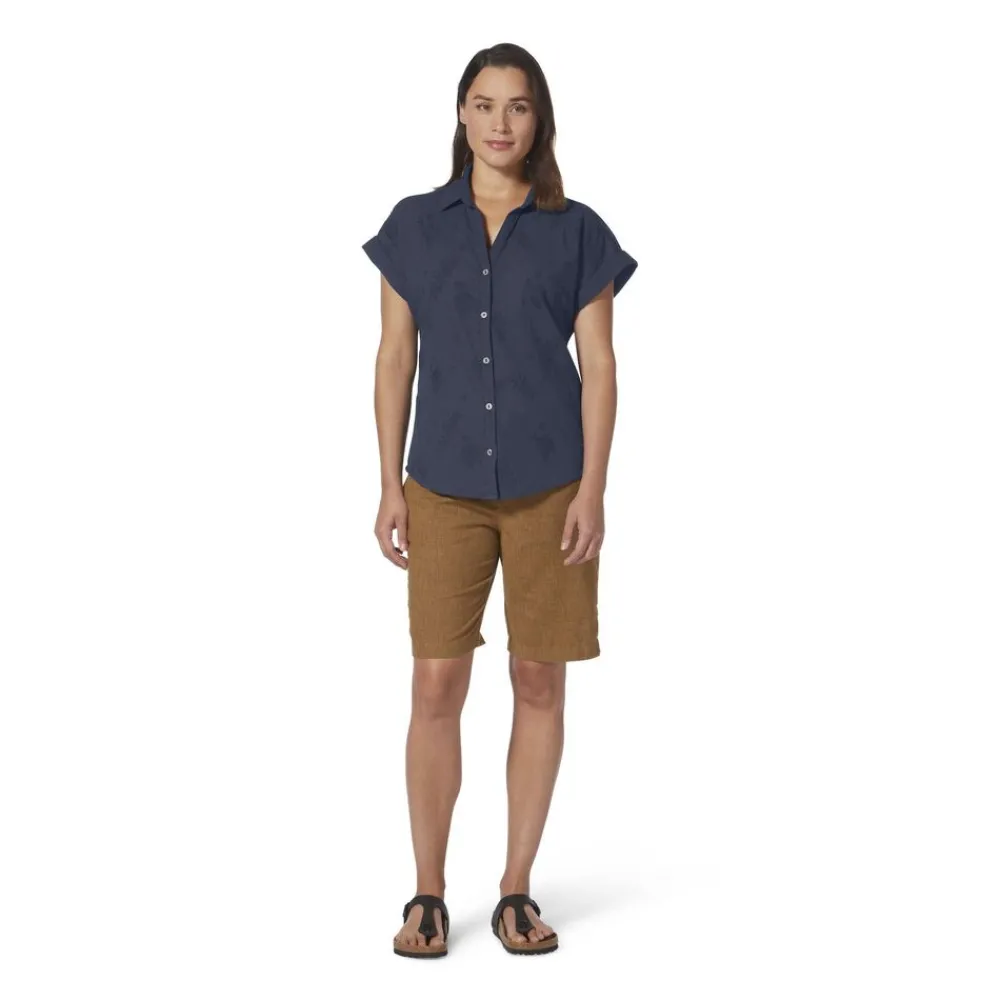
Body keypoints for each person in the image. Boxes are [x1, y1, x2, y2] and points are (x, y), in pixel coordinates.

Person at [362, 42, 637, 958]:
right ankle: (427, 895)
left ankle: (517, 886)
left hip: (551, 487)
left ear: (539, 119)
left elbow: (600, 366)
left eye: (517, 106)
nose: (499, 123)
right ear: (461, 114)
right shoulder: (414, 226)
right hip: (441, 486)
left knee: (538, 679)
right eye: (483, 104)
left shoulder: (577, 231)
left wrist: (593, 488)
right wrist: (388, 482)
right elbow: (394, 357)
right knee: (435, 681)